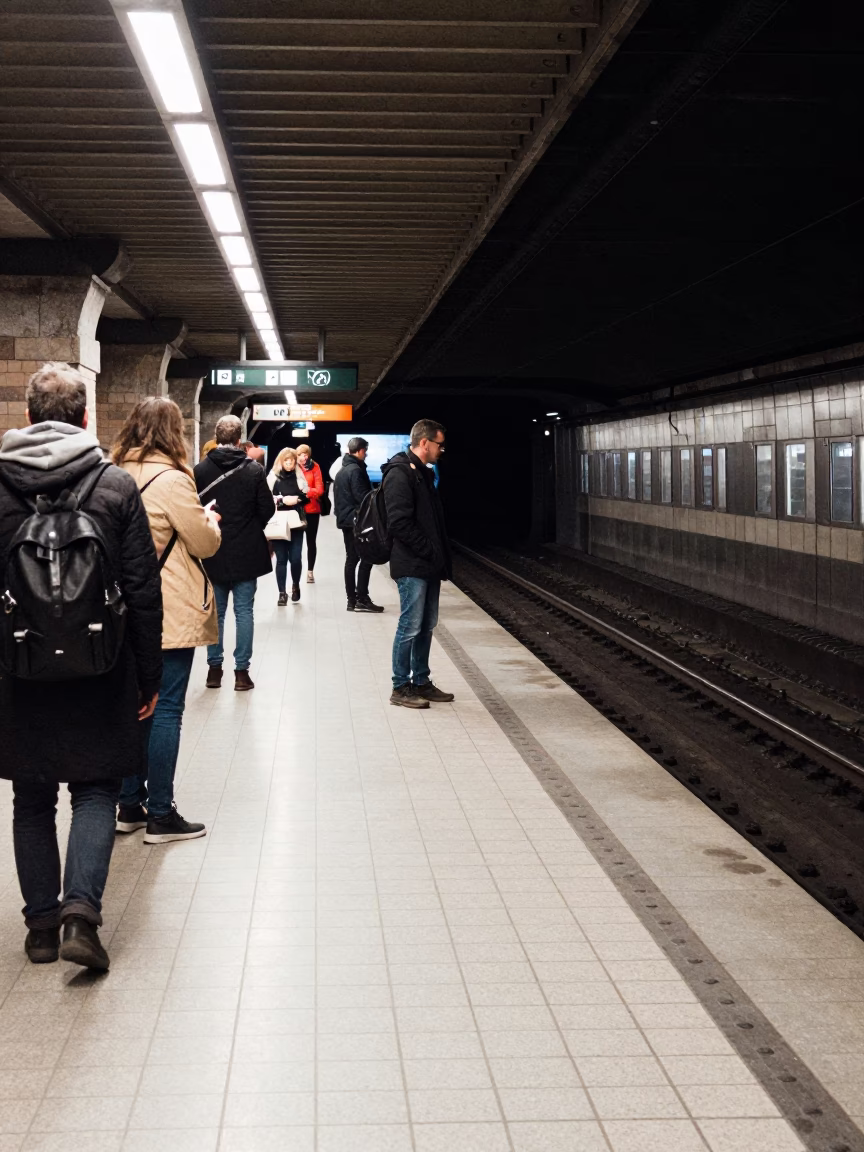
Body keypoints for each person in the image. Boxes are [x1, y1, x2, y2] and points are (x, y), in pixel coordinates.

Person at [0, 362, 162, 969]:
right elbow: (143, 591)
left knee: (32, 795)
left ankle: (40, 928)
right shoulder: (114, 485)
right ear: (86, 417)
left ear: (27, 417)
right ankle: (80, 916)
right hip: (103, 664)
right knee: (96, 790)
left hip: (18, 669)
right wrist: (149, 676)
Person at [113, 397, 222, 843]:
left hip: (120, 608)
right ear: (173, 432)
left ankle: (128, 804)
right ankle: (160, 812)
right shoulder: (175, 480)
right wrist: (211, 522)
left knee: (132, 705)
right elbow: (203, 543)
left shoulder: (113, 472)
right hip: (167, 607)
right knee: (167, 709)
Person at [194, 415, 274, 691]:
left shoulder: (200, 470)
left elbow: (194, 511)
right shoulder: (253, 470)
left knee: (216, 614)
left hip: (212, 549)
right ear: (239, 440)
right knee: (244, 612)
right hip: (246, 551)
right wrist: (251, 528)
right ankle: (242, 673)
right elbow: (267, 509)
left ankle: (214, 671)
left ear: (216, 439)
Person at [381, 419, 453, 709]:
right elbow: (399, 522)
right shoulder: (401, 474)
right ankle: (400, 686)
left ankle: (421, 680)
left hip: (427, 564)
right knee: (410, 625)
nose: (441, 450)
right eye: (439, 445)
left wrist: (435, 556)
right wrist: (428, 550)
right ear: (425, 443)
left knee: (426, 624)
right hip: (412, 563)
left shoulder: (422, 473)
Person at [333, 436, 384, 613]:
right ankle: (361, 597)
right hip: (357, 522)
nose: (366, 454)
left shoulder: (343, 470)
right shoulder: (355, 470)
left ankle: (351, 600)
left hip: (346, 521)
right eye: (366, 451)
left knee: (351, 559)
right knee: (367, 557)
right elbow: (363, 497)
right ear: (361, 450)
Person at [266, 446, 308, 604]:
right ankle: (282, 593)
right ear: (281, 461)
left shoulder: (299, 476)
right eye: (286, 460)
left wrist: (297, 499)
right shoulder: (273, 477)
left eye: (292, 460)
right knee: (281, 559)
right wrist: (282, 500)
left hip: (296, 521)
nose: (289, 463)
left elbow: (306, 495)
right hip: (278, 520)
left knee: (296, 558)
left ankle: (296, 585)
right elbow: (266, 497)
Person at [295, 443, 324, 583]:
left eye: (305, 454)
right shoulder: (292, 466)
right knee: (296, 542)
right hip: (296, 510)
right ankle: (296, 572)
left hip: (312, 510)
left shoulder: (315, 466)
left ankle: (310, 571)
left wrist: (306, 492)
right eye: (300, 454)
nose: (303, 457)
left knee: (311, 541)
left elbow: (320, 489)